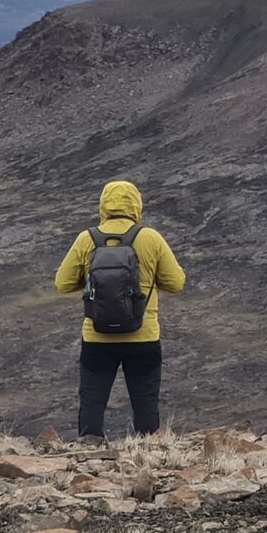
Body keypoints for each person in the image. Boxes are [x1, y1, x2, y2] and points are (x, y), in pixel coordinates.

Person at [54, 180, 186, 439]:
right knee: (145, 401)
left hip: (97, 336)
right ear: (136, 205)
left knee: (93, 399)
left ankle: (89, 452)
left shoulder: (87, 239)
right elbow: (176, 282)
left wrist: (93, 279)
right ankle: (147, 452)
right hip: (143, 336)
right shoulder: (150, 238)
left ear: (103, 205)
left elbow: (62, 283)